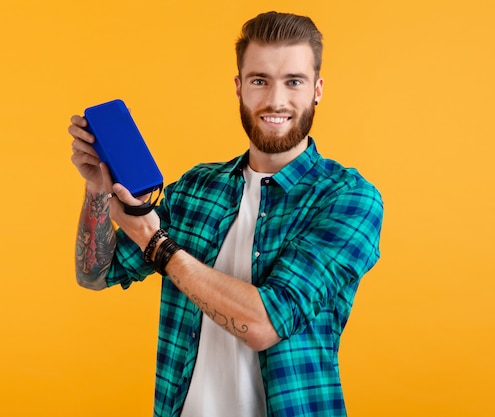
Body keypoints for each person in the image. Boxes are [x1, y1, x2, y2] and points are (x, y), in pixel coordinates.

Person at [68, 11, 383, 417]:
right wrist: (97, 189)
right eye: (259, 80)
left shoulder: (349, 198)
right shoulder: (200, 188)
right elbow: (94, 274)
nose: (276, 100)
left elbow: (264, 324)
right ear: (239, 87)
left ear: (317, 89)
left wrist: (156, 244)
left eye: (294, 81)